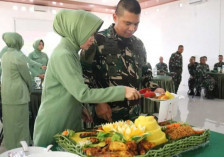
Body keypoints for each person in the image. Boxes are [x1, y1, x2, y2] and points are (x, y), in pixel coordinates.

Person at [33, 10, 141, 147]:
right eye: (89, 34)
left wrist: (80, 107)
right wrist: (122, 91)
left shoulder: (69, 51)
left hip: (66, 117)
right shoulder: (64, 54)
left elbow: (69, 88)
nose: (92, 39)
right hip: (56, 122)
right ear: (76, 31)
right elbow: (83, 93)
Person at [80, 0, 164, 124]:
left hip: (134, 114)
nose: (132, 29)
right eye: (128, 23)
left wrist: (155, 88)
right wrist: (97, 102)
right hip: (107, 115)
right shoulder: (97, 41)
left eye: (136, 24)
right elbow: (83, 74)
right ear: (115, 17)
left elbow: (145, 73)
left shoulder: (138, 44)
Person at [1, 32, 32, 149]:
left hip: (6, 94)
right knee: (21, 123)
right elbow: (26, 76)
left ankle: (11, 146)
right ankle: (22, 147)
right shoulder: (18, 56)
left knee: (9, 122)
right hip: (18, 94)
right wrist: (31, 88)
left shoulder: (4, 55)